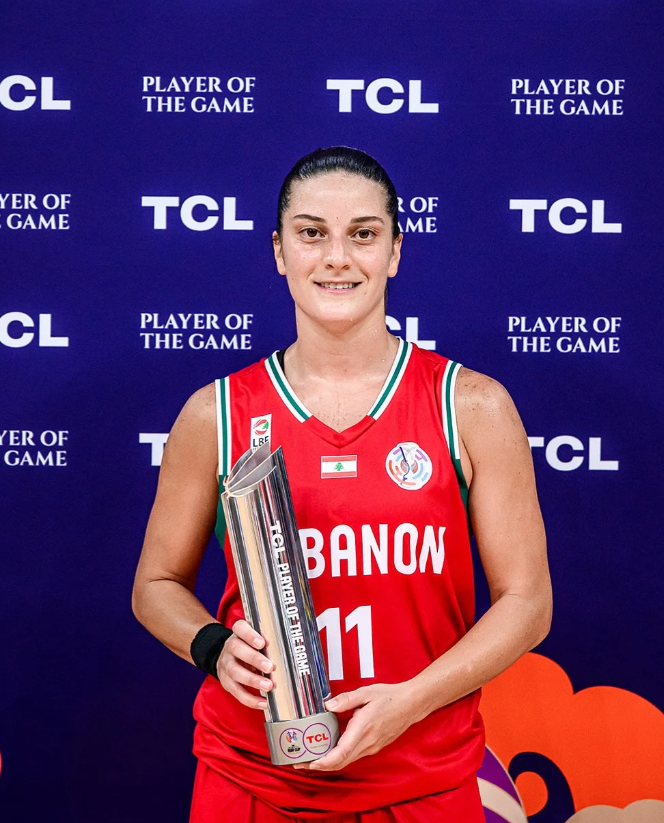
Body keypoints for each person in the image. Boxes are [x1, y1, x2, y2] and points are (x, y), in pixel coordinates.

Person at [133, 146, 552, 822]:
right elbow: (155, 584)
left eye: (362, 233)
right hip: (253, 774)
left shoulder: (470, 405)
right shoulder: (218, 413)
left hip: (419, 774)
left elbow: (528, 603)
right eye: (311, 233)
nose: (336, 257)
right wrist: (212, 646)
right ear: (279, 251)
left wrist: (409, 701)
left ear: (394, 251)